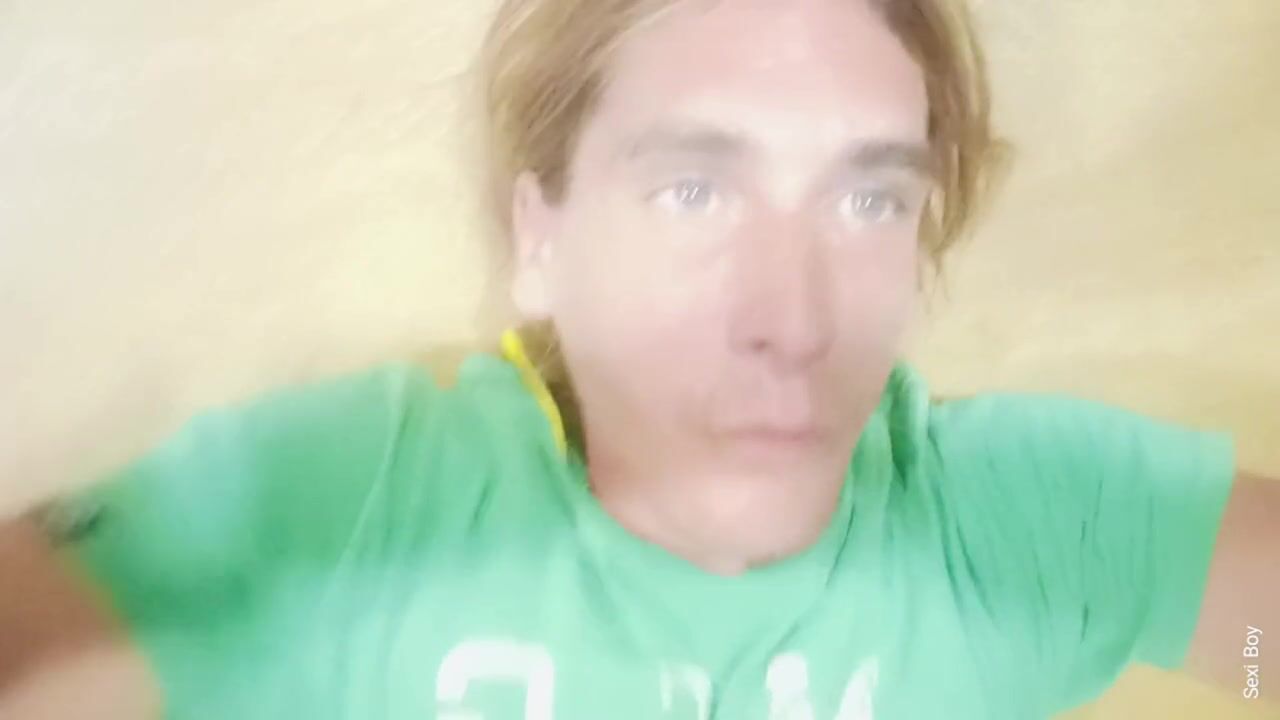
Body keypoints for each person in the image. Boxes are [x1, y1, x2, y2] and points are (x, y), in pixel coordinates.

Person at [1, 0, 1276, 717]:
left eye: (869, 200)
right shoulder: (357, 502)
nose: (792, 320)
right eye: (691, 192)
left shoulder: (1009, 528)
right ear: (540, 239)